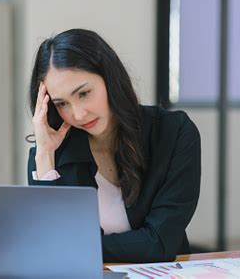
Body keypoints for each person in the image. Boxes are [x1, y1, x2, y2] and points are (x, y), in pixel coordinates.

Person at [26, 29, 201, 263]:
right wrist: (45, 155)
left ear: (109, 78)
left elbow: (160, 244)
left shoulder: (174, 133)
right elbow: (52, 247)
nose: (78, 114)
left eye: (84, 93)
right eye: (62, 103)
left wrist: (77, 247)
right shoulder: (49, 154)